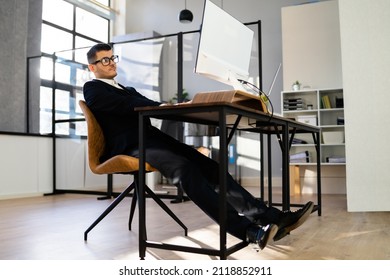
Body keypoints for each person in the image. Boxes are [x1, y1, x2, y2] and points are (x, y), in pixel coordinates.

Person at [83, 43, 314, 250]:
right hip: (129, 147)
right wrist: (158, 104)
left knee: (210, 167)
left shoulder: (127, 89)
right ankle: (246, 230)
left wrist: (171, 106)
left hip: (153, 140)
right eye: (105, 60)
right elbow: (127, 105)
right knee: (186, 170)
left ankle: (269, 216)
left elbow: (146, 103)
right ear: (93, 67)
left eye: (113, 58)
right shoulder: (92, 88)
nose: (111, 63)